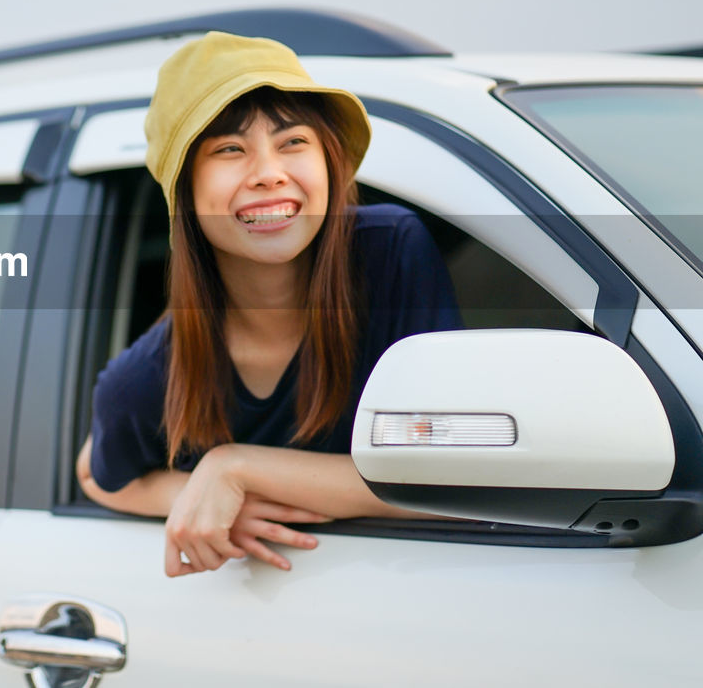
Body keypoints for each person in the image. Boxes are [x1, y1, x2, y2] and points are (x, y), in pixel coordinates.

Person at [74, 32, 462, 577]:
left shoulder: (390, 252)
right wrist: (193, 494)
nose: (268, 172)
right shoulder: (147, 375)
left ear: (328, 159)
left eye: (293, 142)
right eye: (230, 149)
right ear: (184, 191)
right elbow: (95, 475)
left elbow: (444, 475)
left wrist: (234, 469)